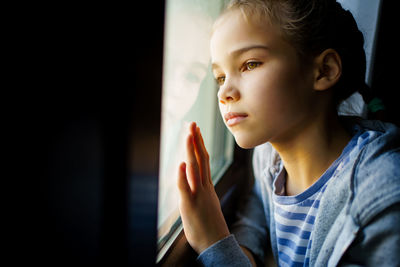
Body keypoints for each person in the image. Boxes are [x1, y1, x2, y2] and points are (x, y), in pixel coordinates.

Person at [176, 0, 400, 266]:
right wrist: (243, 251)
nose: (224, 94)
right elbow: (260, 205)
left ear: (324, 70)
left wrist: (214, 244)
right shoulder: (268, 155)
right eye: (220, 77)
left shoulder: (382, 198)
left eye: (250, 64)